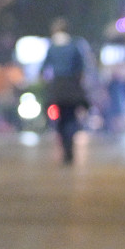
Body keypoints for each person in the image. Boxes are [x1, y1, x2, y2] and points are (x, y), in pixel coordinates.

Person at [39, 19, 92, 166]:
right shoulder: (74, 46)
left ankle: (65, 150)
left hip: (57, 87)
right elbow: (81, 68)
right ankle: (70, 149)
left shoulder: (52, 47)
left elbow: (43, 69)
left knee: (60, 120)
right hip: (72, 86)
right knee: (71, 118)